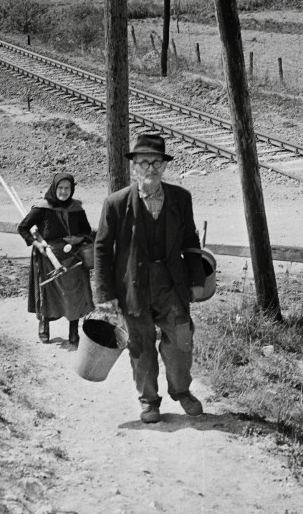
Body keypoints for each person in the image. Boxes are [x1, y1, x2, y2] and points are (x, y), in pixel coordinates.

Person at [93, 134, 207, 424]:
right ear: (134, 167)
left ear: (164, 166)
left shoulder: (181, 199)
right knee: (140, 346)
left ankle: (181, 391)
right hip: (134, 287)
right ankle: (149, 401)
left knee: (182, 341)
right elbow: (103, 250)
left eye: (156, 161)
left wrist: (196, 280)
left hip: (171, 285)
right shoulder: (116, 204)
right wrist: (105, 295)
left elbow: (191, 240)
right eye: (144, 162)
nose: (151, 168)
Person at [18, 172, 94, 345]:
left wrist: (78, 239)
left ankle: (73, 332)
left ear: (72, 189)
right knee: (48, 294)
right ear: (54, 188)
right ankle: (44, 326)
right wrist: (37, 244)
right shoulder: (42, 207)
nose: (63, 191)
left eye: (67, 188)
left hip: (72, 257)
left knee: (74, 295)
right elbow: (23, 228)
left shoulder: (76, 208)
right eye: (60, 188)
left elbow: (87, 230)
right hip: (47, 257)